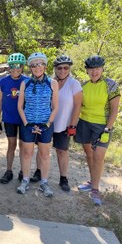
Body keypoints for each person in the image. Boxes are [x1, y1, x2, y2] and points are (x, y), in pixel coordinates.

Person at [75, 55, 120, 206]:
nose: (94, 72)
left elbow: (114, 110)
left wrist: (107, 128)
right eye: (91, 69)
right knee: (89, 154)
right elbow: (78, 107)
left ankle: (95, 189)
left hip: (102, 125)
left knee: (98, 157)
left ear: (102, 69)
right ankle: (91, 181)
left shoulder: (110, 85)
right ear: (87, 70)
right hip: (85, 123)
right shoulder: (83, 85)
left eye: (98, 69)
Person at [17, 52, 58, 197]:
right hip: (28, 123)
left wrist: (47, 124)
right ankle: (25, 180)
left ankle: (44, 182)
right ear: (30, 68)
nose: (37, 67)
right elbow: (20, 106)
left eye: (40, 64)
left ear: (45, 66)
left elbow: (55, 107)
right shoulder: (25, 83)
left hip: (45, 124)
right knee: (27, 153)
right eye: (33, 65)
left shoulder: (52, 83)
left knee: (44, 154)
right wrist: (27, 123)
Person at [51, 55, 82, 192]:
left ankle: (63, 178)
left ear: (69, 69)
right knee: (42, 149)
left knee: (62, 151)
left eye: (65, 68)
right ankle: (39, 171)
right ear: (55, 69)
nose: (62, 70)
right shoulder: (50, 82)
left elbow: (77, 106)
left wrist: (73, 125)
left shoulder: (74, 84)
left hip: (64, 123)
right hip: (47, 122)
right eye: (59, 68)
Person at [0, 53, 28, 184]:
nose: (16, 69)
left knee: (23, 145)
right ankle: (9, 171)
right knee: (11, 145)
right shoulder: (2, 81)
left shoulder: (27, 81)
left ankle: (23, 171)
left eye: (19, 66)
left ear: (22, 67)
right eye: (13, 66)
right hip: (9, 118)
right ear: (9, 67)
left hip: (23, 119)